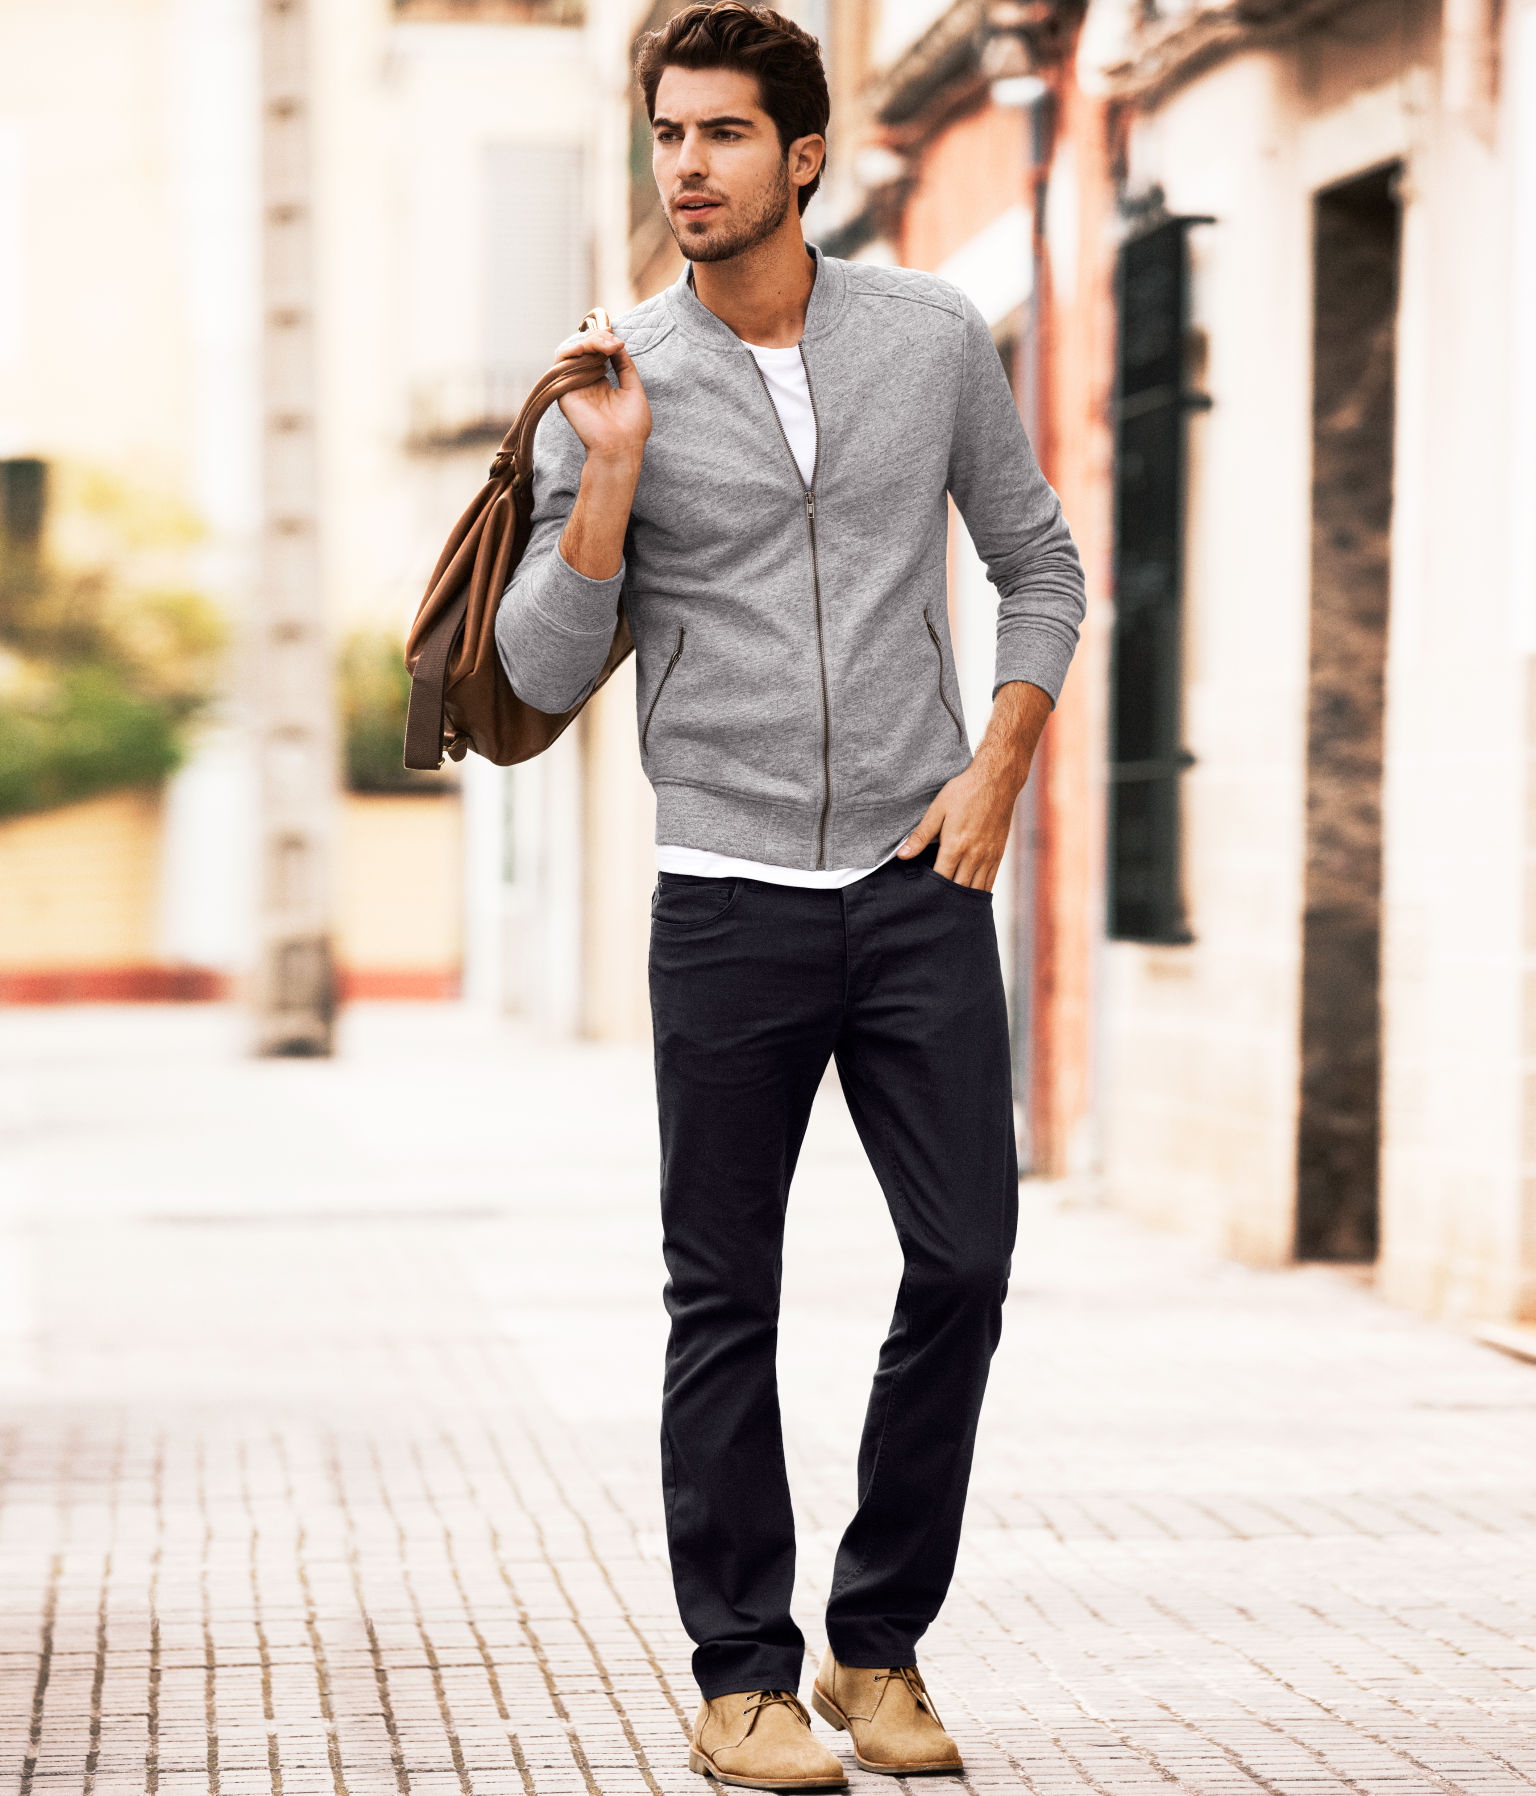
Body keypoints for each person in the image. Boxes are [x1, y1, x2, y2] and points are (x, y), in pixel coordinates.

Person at [497, 4, 1085, 1786]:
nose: (688, 166)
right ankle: (742, 1673)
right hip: (728, 896)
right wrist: (608, 473)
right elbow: (537, 668)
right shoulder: (612, 377)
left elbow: (1040, 562)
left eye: (726, 133)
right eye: (669, 134)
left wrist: (997, 765)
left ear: (804, 154)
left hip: (916, 877)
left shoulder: (931, 335)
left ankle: (876, 1646)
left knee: (966, 1262)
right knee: (723, 1296)